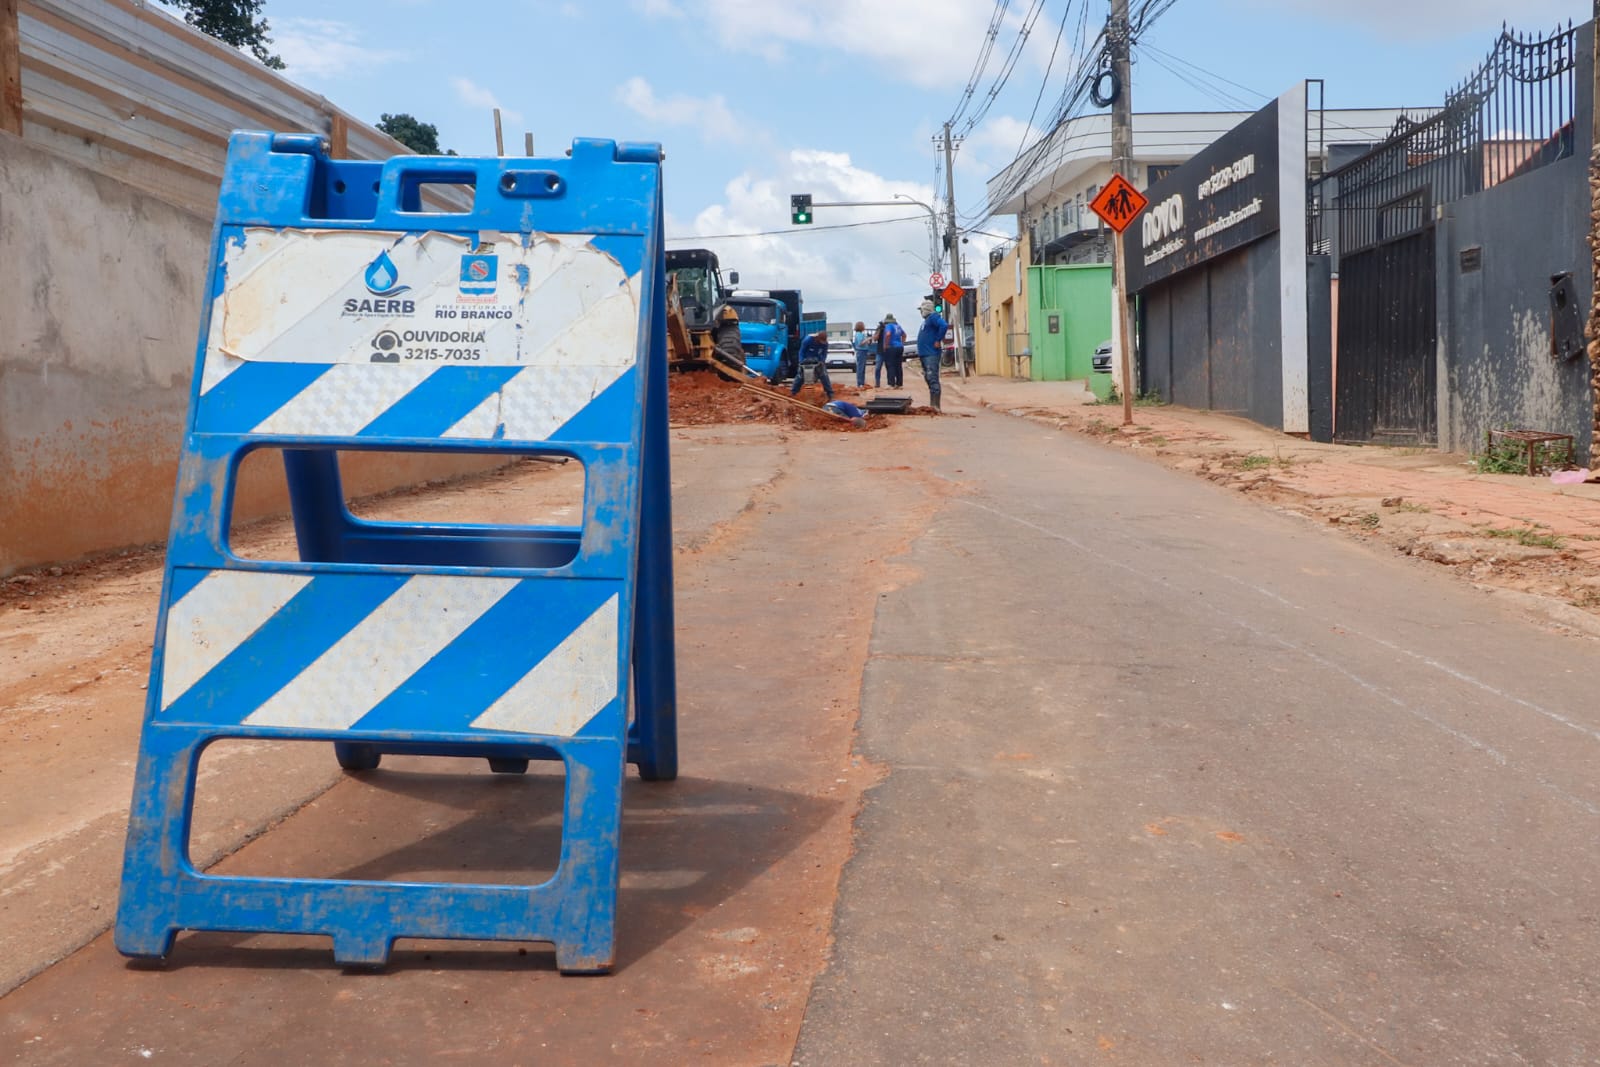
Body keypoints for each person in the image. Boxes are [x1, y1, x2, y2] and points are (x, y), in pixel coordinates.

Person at [916, 299, 948, 410]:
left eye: (921, 310)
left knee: (932, 377)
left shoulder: (933, 317)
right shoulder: (927, 320)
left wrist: (938, 340)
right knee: (928, 378)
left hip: (931, 354)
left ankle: (936, 406)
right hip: (925, 354)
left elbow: (944, 325)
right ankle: (932, 405)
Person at [791, 329, 834, 400]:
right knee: (800, 376)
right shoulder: (808, 340)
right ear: (817, 338)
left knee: (824, 376)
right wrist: (801, 361)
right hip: (806, 360)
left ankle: (830, 394)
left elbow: (824, 353)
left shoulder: (825, 344)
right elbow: (801, 351)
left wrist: (822, 361)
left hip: (818, 360)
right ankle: (793, 393)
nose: (821, 343)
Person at [879, 313, 906, 388]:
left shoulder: (889, 326)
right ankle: (899, 384)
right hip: (899, 347)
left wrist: (886, 345)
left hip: (891, 347)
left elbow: (888, 334)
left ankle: (891, 383)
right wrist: (901, 343)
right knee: (898, 365)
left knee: (890, 365)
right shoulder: (898, 326)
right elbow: (904, 335)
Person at [852, 321, 871, 388]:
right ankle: (860, 383)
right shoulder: (859, 334)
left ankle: (862, 383)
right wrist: (867, 339)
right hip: (861, 351)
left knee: (862, 368)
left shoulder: (860, 334)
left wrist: (868, 341)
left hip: (863, 351)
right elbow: (860, 343)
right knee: (860, 368)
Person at [871, 319, 887, 387]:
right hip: (880, 351)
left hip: (888, 351)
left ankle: (890, 383)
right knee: (877, 368)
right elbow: (875, 339)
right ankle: (877, 383)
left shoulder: (889, 329)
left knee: (889, 368)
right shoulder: (879, 329)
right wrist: (879, 330)